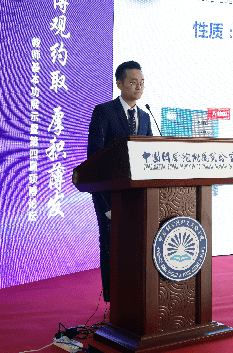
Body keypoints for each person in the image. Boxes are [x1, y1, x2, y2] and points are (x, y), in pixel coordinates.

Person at [87, 60, 153, 302]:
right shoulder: (104, 112)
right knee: (111, 243)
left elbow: (151, 157)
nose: (139, 87)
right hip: (109, 194)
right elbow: (94, 157)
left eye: (142, 82)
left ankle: (135, 297)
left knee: (137, 244)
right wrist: (104, 201)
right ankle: (113, 299)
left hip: (137, 195)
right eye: (133, 82)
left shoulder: (145, 117)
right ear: (119, 84)